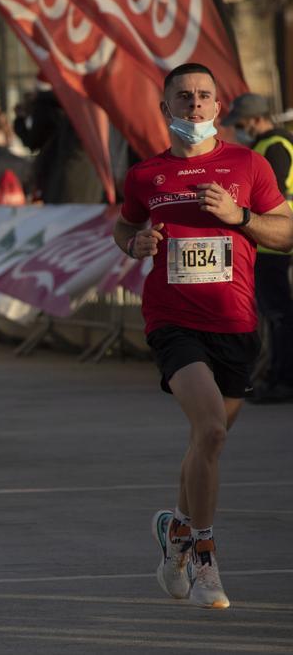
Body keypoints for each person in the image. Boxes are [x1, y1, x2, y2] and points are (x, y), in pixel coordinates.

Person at [114, 63, 293, 609]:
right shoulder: (147, 175)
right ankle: (207, 560)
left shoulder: (248, 164)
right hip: (173, 321)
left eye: (205, 96)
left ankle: (176, 534)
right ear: (166, 109)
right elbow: (125, 226)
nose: (195, 105)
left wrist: (240, 216)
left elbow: (285, 232)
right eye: (184, 97)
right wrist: (136, 243)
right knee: (212, 429)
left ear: (218, 108)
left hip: (236, 323)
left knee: (204, 443)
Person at [223, 93, 293, 403]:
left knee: (278, 315)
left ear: (254, 119)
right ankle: (278, 376)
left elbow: (268, 195)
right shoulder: (276, 143)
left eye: (239, 123)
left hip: (274, 243)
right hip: (276, 239)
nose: (237, 129)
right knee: (278, 314)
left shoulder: (272, 146)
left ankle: (283, 380)